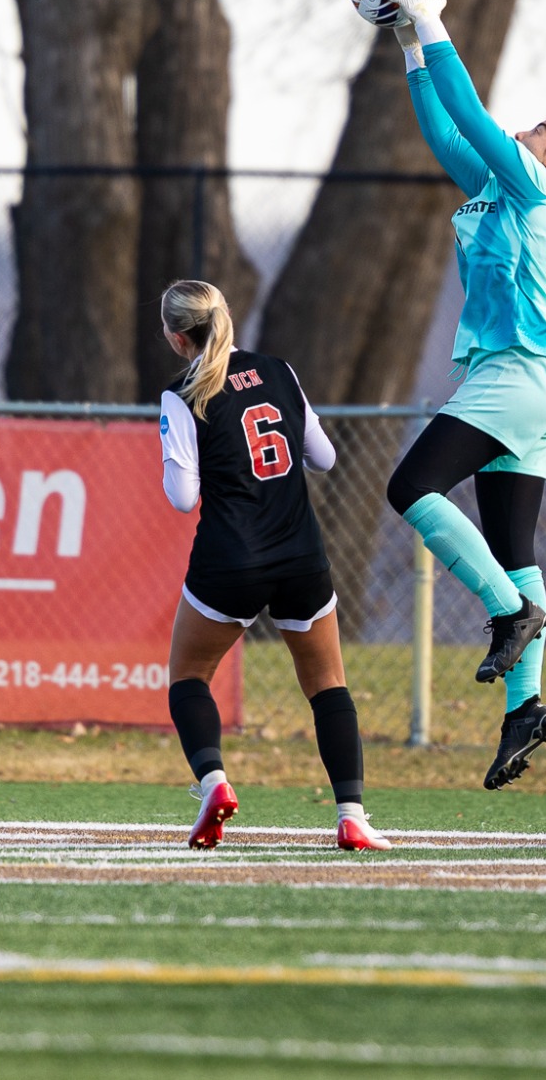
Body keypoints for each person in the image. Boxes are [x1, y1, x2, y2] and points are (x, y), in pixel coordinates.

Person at [372, 0, 546, 790]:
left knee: (410, 488)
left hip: (517, 378)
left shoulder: (539, 189)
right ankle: (524, 707)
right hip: (531, 386)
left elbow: (470, 112)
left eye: (539, 130)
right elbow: (444, 131)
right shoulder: (501, 191)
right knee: (513, 542)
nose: (523, 133)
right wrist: (407, 46)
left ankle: (508, 611)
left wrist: (432, 22)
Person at [156, 280, 389, 852]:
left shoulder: (181, 394)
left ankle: (214, 782)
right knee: (328, 685)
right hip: (298, 554)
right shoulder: (279, 370)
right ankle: (352, 814)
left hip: (229, 558)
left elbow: (183, 497)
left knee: (188, 677)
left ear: (176, 336)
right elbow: (325, 458)